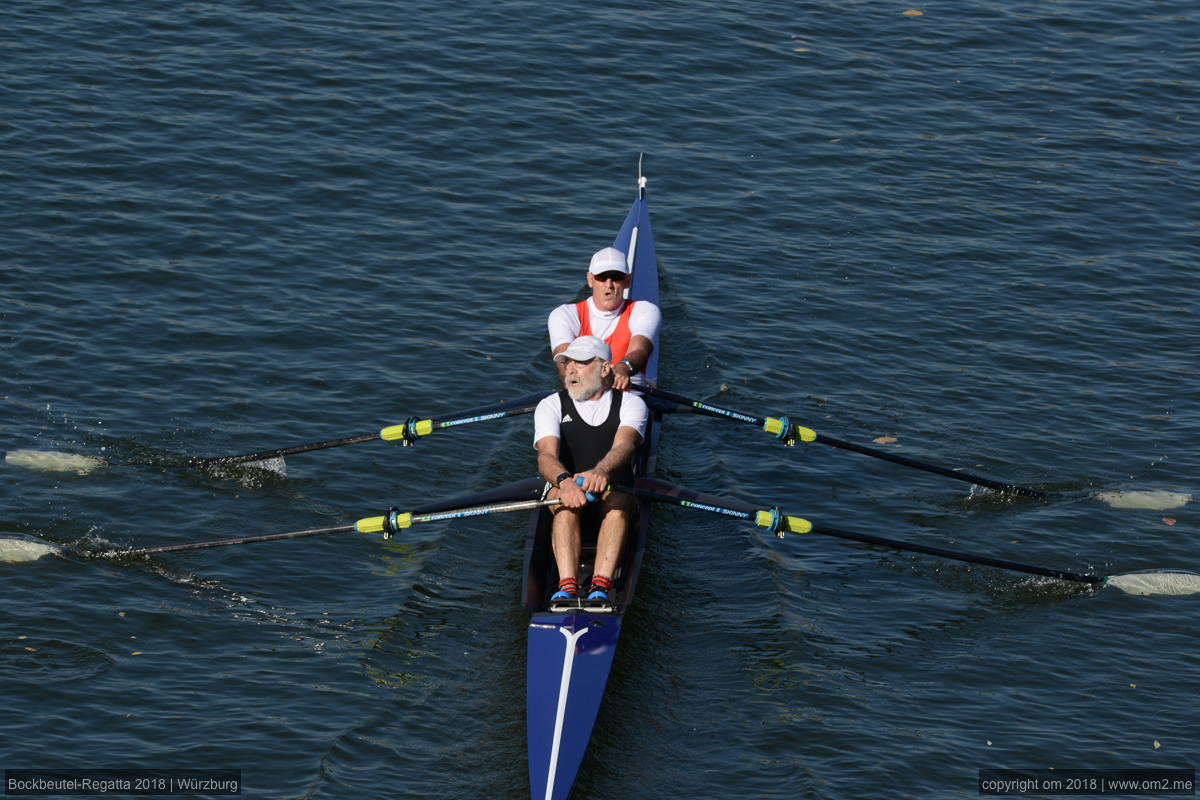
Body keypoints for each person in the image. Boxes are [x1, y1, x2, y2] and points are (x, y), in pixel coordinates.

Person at [533, 335, 649, 601]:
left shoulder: (632, 404)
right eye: (567, 363)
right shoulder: (550, 404)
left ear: (605, 368)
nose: (571, 370)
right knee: (564, 506)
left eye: (581, 363)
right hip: (567, 489)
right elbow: (546, 457)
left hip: (613, 490)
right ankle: (567, 588)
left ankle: (599, 588)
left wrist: (601, 471)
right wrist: (564, 481)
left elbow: (625, 446)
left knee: (619, 506)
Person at [547, 246, 661, 390]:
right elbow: (564, 365)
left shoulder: (645, 311)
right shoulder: (564, 315)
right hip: (582, 396)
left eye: (616, 277)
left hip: (629, 398)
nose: (609, 285)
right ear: (590, 280)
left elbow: (640, 350)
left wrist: (624, 367)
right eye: (602, 277)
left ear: (628, 281)